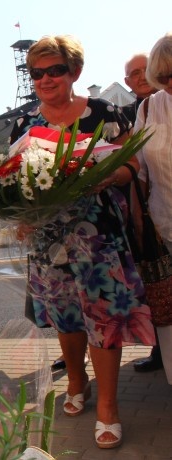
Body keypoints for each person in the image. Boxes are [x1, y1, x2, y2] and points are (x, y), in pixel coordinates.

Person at [9, 35, 155, 449]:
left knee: (104, 318)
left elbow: (132, 161)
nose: (46, 78)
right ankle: (77, 380)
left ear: (74, 72)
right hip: (48, 242)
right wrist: (20, 215)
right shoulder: (25, 125)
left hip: (99, 237)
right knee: (66, 318)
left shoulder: (103, 114)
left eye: (55, 70)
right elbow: (15, 181)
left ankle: (108, 406)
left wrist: (111, 176)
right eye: (37, 72)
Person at [133, 32, 172, 384]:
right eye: (164, 77)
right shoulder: (150, 107)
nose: (170, 84)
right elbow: (138, 167)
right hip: (165, 225)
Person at [122, 53, 163, 373]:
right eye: (133, 74)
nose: (140, 77)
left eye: (144, 71)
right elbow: (140, 169)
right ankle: (161, 351)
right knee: (160, 286)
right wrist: (137, 215)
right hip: (161, 217)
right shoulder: (141, 110)